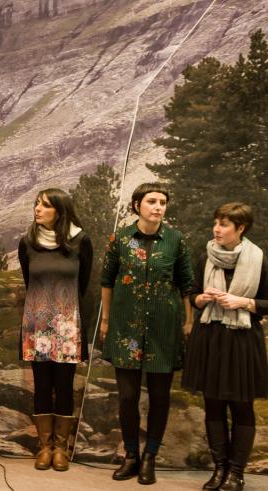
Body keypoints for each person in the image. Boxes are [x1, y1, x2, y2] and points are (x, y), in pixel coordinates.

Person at [100, 182, 193, 485]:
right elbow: (106, 280)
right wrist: (104, 321)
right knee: (127, 397)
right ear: (137, 204)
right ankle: (131, 456)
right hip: (125, 327)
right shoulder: (120, 239)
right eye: (152, 201)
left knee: (160, 396)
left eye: (163, 202)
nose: (158, 207)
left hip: (164, 330)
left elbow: (186, 284)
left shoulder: (176, 240)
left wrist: (189, 321)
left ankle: (150, 457)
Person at [182, 202, 267, 491]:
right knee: (213, 404)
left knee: (242, 406)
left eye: (224, 224)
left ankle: (236, 473)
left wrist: (243, 302)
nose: (216, 229)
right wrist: (202, 300)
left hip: (242, 340)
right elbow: (192, 294)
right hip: (210, 337)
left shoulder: (259, 259)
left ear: (240, 228)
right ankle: (219, 470)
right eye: (215, 222)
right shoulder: (206, 256)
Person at [17, 189, 93, 471]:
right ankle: (44, 446)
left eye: (45, 205)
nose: (37, 209)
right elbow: (29, 280)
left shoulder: (80, 240)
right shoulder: (28, 242)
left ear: (59, 211)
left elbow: (83, 284)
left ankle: (61, 448)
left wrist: (63, 311)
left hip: (67, 326)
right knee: (41, 386)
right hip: (36, 326)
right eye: (36, 203)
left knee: (63, 387)